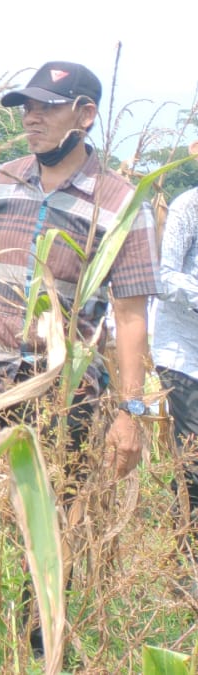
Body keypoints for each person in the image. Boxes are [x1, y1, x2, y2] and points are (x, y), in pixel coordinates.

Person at [0, 62, 157, 650]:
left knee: (50, 525)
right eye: (26, 106)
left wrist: (131, 412)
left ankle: (40, 643)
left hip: (60, 391)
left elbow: (130, 317)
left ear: (86, 114)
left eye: (47, 107)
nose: (31, 117)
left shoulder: (120, 203)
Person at [154, 174, 198, 576]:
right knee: (195, 462)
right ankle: (186, 568)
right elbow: (163, 276)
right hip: (184, 356)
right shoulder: (189, 206)